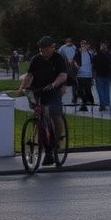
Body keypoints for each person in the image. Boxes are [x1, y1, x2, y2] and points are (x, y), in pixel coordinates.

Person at [18, 35, 69, 166]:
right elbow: (29, 75)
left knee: (54, 113)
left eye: (46, 48)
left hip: (52, 90)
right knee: (39, 116)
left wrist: (54, 84)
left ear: (52, 48)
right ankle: (42, 139)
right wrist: (22, 87)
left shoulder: (58, 58)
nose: (43, 51)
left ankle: (56, 142)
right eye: (41, 48)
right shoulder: (36, 59)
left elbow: (63, 75)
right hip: (38, 89)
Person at [74, 40, 96, 111]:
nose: (83, 47)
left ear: (87, 46)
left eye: (84, 46)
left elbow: (92, 63)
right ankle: (85, 101)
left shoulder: (90, 53)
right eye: (82, 46)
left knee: (88, 90)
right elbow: (74, 60)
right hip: (80, 75)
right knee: (79, 90)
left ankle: (89, 103)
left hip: (88, 75)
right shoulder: (78, 53)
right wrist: (77, 66)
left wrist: (92, 73)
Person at [57, 37, 78, 104]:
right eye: (68, 42)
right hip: (65, 66)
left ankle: (74, 98)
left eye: (71, 42)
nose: (70, 43)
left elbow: (76, 56)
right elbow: (59, 57)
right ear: (66, 42)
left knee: (74, 83)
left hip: (72, 67)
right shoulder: (62, 48)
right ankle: (59, 98)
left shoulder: (74, 47)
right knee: (63, 83)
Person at [93, 41, 111, 111]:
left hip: (99, 75)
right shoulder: (108, 55)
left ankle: (102, 104)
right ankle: (105, 103)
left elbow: (94, 66)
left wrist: (94, 75)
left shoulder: (96, 55)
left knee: (100, 90)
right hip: (107, 74)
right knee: (106, 90)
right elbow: (110, 63)